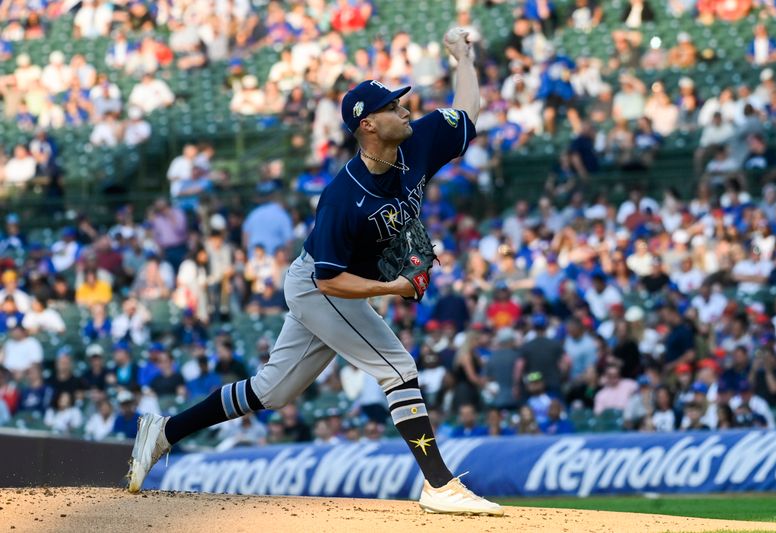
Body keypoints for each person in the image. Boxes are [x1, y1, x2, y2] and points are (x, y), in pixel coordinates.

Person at [126, 28, 501, 516]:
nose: (405, 109)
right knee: (398, 368)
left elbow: (467, 111)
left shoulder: (419, 141)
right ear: (367, 125)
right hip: (322, 287)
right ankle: (439, 485)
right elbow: (328, 280)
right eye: (392, 106)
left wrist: (462, 59)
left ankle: (165, 430)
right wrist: (391, 287)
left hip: (333, 287)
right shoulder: (344, 196)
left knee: (271, 391)